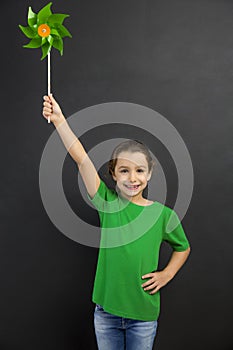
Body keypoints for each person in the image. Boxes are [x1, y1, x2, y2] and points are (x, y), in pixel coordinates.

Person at [42, 95, 191, 350]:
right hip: (106, 314)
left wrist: (167, 274)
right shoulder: (107, 203)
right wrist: (59, 121)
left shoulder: (163, 215)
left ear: (150, 173)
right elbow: (81, 159)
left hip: (143, 316)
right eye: (124, 170)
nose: (132, 178)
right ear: (113, 175)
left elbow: (183, 247)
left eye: (139, 170)